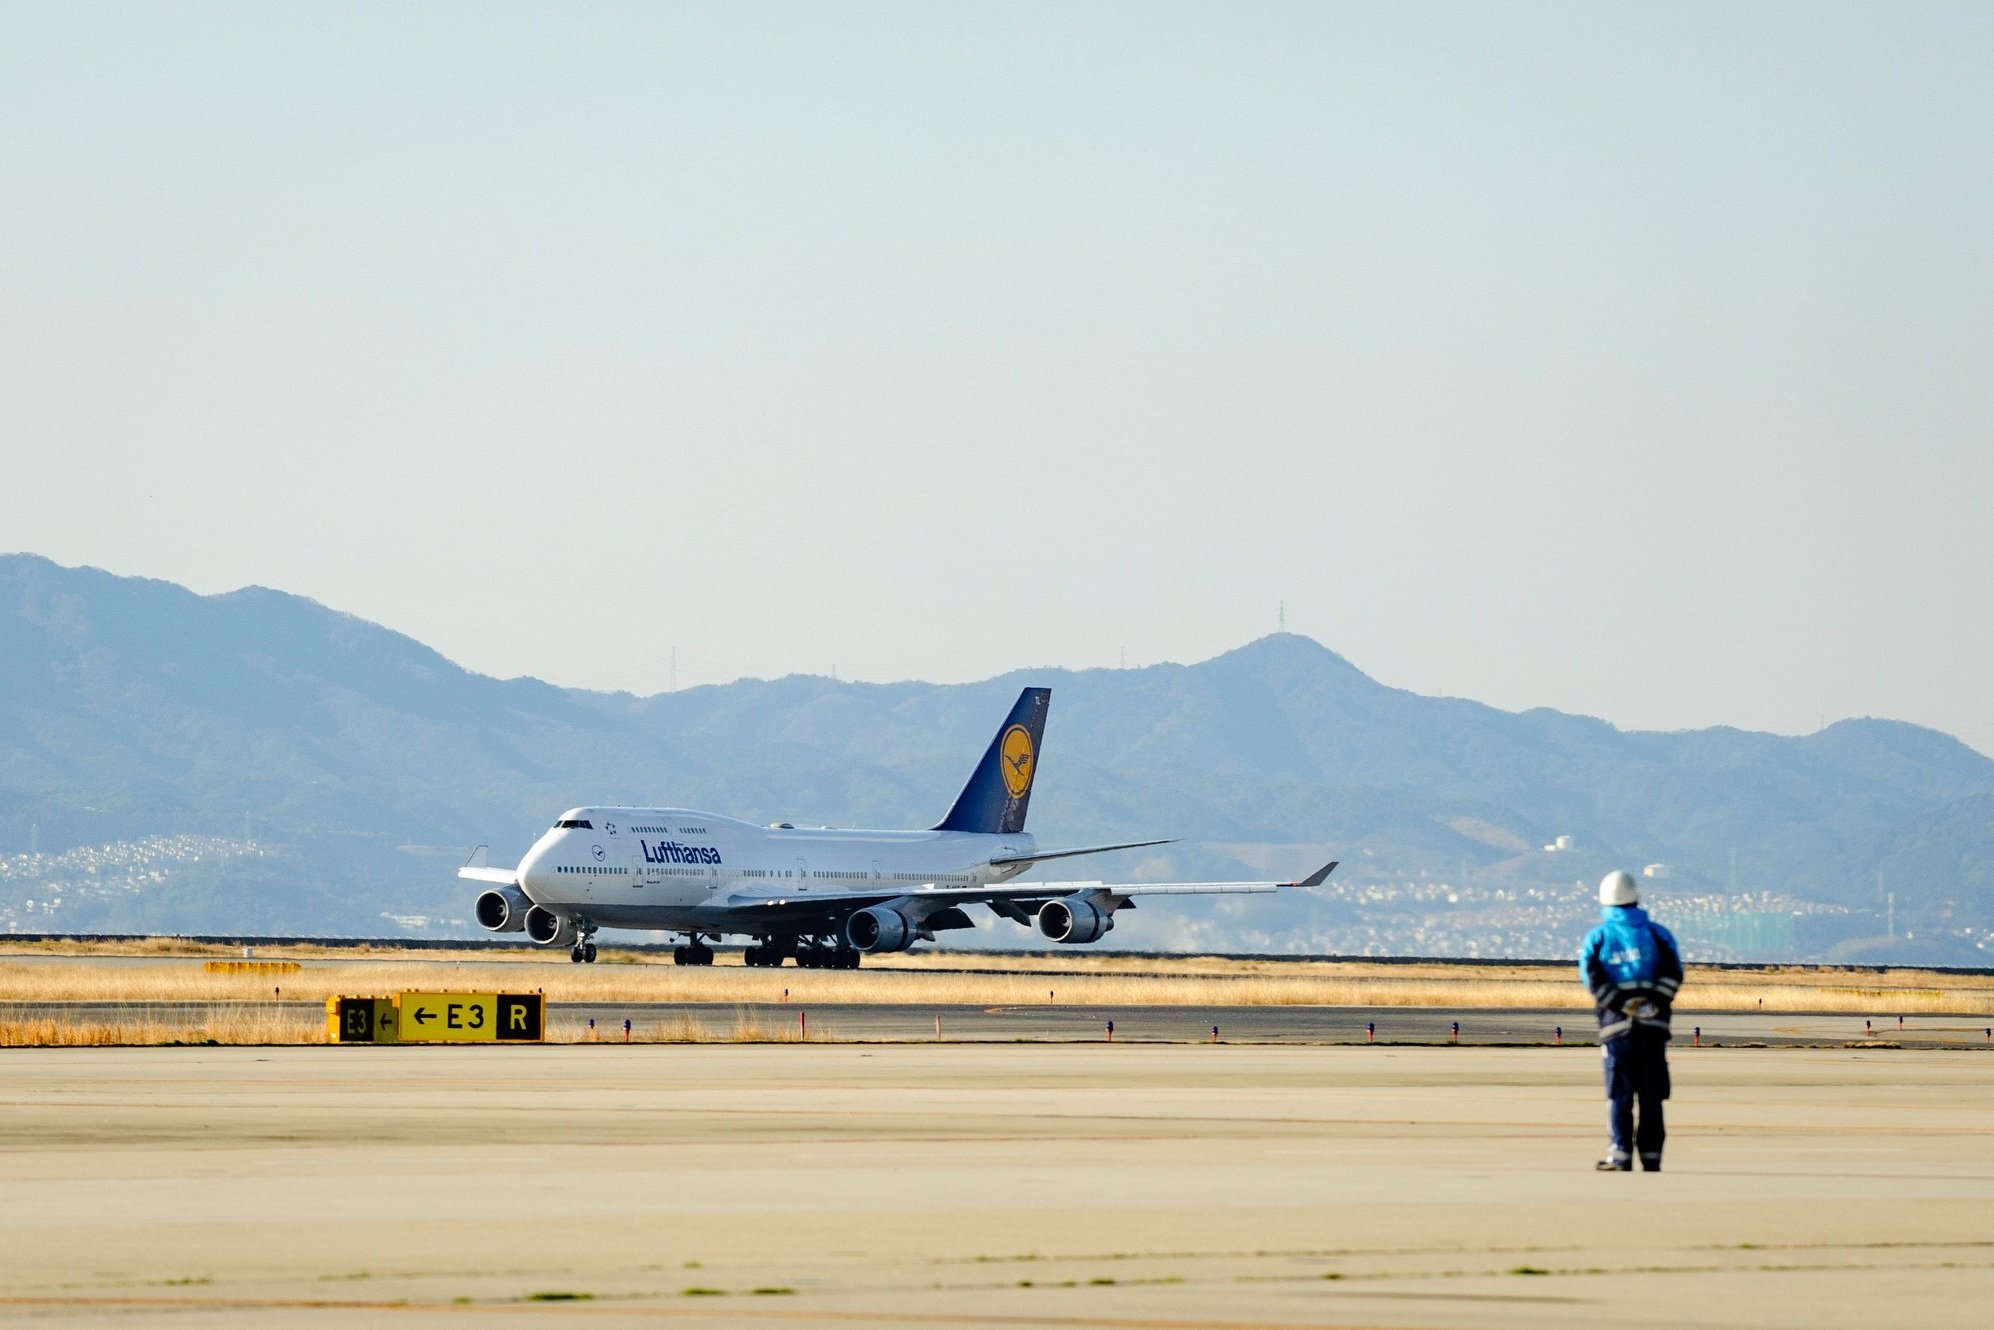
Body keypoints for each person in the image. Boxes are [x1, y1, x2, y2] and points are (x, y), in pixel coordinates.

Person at [1580, 870, 1683, 1172]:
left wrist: (1622, 1005)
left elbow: (1592, 978)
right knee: (1652, 1096)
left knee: (1619, 1095)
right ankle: (1651, 1157)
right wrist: (1651, 1005)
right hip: (1653, 1029)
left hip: (1616, 1029)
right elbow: (1674, 973)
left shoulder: (1598, 937)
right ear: (1636, 898)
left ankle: (1621, 1154)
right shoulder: (1658, 934)